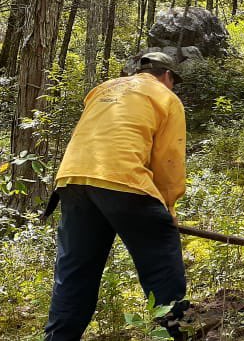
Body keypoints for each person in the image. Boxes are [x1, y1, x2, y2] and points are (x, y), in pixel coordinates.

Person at [44, 52, 189, 340]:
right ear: (167, 76)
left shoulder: (102, 89)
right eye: (173, 81)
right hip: (125, 181)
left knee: (74, 276)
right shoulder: (166, 97)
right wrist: (168, 206)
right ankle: (178, 334)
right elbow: (168, 160)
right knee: (162, 271)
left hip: (72, 181)